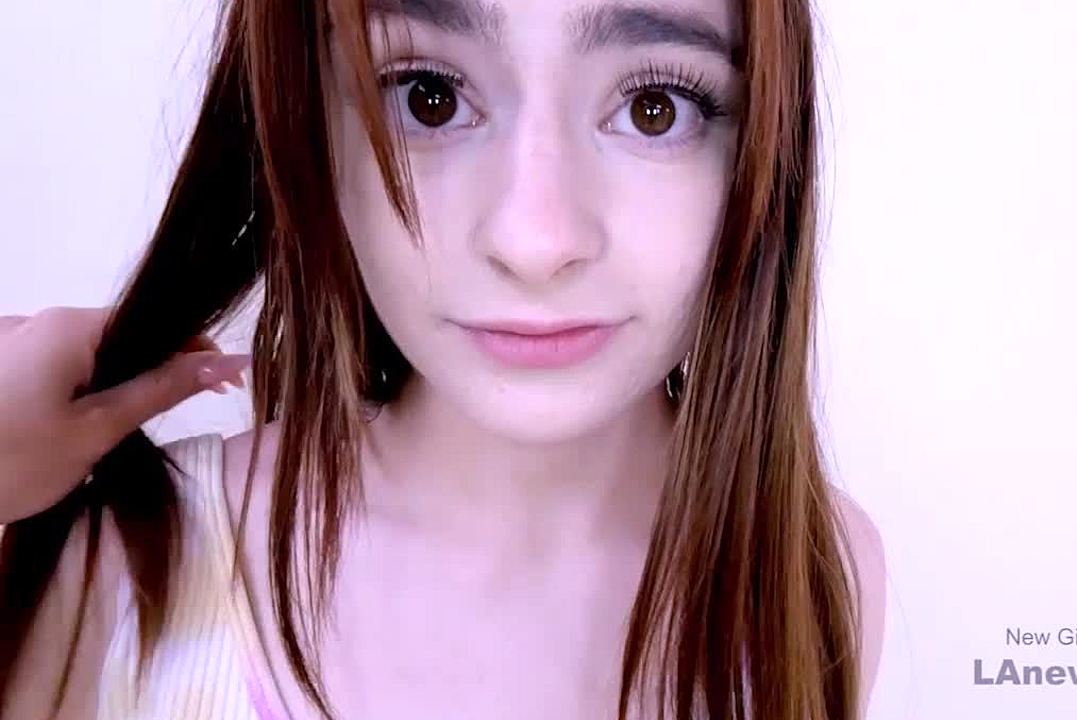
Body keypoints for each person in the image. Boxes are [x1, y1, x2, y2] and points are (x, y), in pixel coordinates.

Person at [0, 0, 885, 717]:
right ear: (309, 124)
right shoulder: (122, 573)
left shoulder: (816, 578)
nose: (535, 242)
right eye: (428, 97)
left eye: (656, 107)